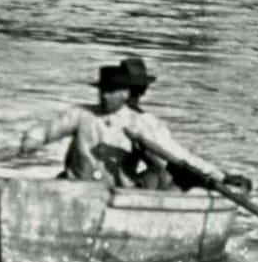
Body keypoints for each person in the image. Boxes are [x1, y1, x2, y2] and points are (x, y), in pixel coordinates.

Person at [29, 55, 246, 191]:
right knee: (167, 176)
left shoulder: (141, 123)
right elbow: (46, 131)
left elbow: (178, 155)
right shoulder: (83, 114)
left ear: (127, 93)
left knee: (169, 175)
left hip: (115, 191)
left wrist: (219, 176)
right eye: (104, 92)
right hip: (76, 187)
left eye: (114, 92)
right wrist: (32, 140)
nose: (106, 97)